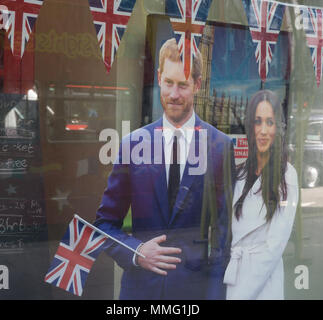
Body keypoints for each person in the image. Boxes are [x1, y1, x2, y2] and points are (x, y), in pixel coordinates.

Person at [94, 38, 235, 300]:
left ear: (198, 85)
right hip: (140, 293)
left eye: (183, 85)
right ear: (158, 77)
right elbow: (104, 224)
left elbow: (224, 237)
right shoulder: (132, 145)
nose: (174, 94)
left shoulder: (220, 147)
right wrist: (136, 252)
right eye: (169, 82)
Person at [223, 89, 299, 300]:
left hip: (264, 283)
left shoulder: (287, 176)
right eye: (258, 122)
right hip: (234, 276)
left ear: (279, 128)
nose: (263, 130)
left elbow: (274, 246)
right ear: (250, 127)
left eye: (270, 122)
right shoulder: (240, 173)